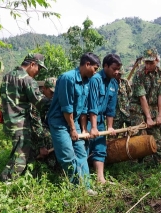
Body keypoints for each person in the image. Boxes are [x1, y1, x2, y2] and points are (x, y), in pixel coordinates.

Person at [47, 53, 100, 195]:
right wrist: (72, 129)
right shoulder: (67, 78)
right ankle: (76, 189)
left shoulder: (87, 81)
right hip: (59, 121)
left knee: (81, 153)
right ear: (87, 64)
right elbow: (67, 108)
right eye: (95, 68)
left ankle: (86, 187)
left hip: (74, 120)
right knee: (68, 156)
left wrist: (82, 130)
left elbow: (82, 109)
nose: (95, 72)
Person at [0, 53, 50, 182]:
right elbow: (39, 102)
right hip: (20, 124)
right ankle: (7, 180)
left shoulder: (7, 77)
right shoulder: (28, 80)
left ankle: (24, 176)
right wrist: (56, 103)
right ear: (32, 64)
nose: (38, 72)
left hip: (9, 122)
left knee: (20, 151)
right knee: (21, 156)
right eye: (38, 68)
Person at [86, 53, 122, 184]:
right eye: (114, 69)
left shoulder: (114, 83)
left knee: (100, 148)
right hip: (89, 120)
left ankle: (100, 179)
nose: (116, 72)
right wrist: (94, 128)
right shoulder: (96, 79)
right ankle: (84, 181)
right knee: (85, 148)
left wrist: (110, 126)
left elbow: (111, 108)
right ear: (105, 66)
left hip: (100, 120)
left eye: (118, 69)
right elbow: (93, 105)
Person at [129, 48, 161, 163]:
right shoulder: (139, 74)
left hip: (152, 109)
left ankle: (159, 165)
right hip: (138, 109)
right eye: (147, 62)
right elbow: (142, 97)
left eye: (151, 63)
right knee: (140, 138)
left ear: (157, 60)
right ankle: (139, 165)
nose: (149, 65)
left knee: (157, 140)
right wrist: (148, 118)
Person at [30, 77, 58, 170]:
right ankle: (50, 166)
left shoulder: (52, 100)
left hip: (44, 124)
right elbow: (36, 124)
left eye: (55, 93)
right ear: (44, 88)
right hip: (33, 127)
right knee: (48, 137)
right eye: (51, 92)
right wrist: (41, 145)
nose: (53, 95)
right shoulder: (38, 101)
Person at [110, 66, 132, 138]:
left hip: (127, 113)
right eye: (118, 74)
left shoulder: (125, 82)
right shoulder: (110, 83)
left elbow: (130, 96)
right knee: (112, 136)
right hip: (116, 115)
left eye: (120, 74)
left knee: (133, 132)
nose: (119, 76)